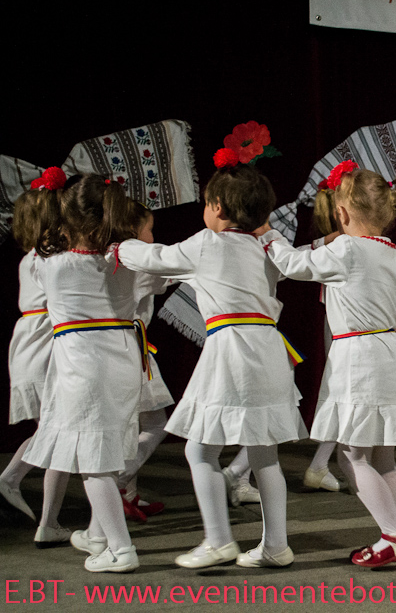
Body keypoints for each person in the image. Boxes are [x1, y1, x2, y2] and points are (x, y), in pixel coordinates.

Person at [117, 148, 307, 566]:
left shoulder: (206, 243)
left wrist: (119, 247)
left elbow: (154, 257)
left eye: (206, 202)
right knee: (265, 454)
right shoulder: (267, 247)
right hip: (269, 350)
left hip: (231, 351)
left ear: (217, 207)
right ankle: (276, 545)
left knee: (200, 451)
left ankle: (219, 540)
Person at [260, 163, 396, 568]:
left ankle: (395, 535)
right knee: (384, 457)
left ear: (341, 213)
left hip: (360, 359)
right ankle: (395, 532)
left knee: (351, 454)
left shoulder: (346, 249)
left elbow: (294, 265)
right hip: (391, 352)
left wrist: (268, 236)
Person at [23, 170, 143, 572]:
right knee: (107, 453)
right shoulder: (123, 259)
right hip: (124, 362)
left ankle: (121, 550)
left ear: (67, 216)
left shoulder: (50, 264)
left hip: (84, 367)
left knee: (94, 462)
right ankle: (98, 536)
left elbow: (40, 247)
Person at [0, 187, 71, 548]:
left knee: (53, 430)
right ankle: (48, 521)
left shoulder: (30, 258)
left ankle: (12, 481)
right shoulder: (51, 260)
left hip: (30, 341)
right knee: (60, 432)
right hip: (43, 342)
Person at [117, 205, 173, 522]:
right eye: (149, 229)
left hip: (128, 345)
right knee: (154, 424)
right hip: (130, 348)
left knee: (134, 425)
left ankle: (127, 494)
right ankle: (119, 481)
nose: (153, 236)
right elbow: (172, 268)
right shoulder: (138, 261)